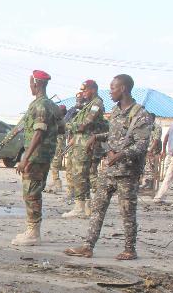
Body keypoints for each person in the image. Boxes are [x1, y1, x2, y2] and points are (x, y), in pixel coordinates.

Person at [65, 75, 154, 260]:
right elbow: (114, 135)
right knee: (98, 208)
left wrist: (120, 155)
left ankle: (130, 249)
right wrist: (97, 137)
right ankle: (88, 246)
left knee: (127, 212)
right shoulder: (115, 111)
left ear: (123, 89)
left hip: (127, 173)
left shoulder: (140, 114)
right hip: (109, 170)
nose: (110, 91)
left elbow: (141, 144)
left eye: (113, 88)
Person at [3, 70, 61, 246]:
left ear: (36, 84)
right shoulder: (51, 105)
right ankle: (32, 229)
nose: (30, 86)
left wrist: (25, 159)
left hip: (36, 156)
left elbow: (38, 132)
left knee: (31, 193)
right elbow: (62, 127)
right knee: (33, 192)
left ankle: (33, 232)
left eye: (30, 83)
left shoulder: (40, 106)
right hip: (44, 155)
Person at [62, 81, 106, 218]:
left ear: (93, 89)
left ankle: (79, 207)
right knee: (82, 175)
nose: (83, 93)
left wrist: (68, 126)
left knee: (80, 175)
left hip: (86, 144)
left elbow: (85, 124)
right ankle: (87, 206)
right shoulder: (88, 104)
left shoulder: (96, 104)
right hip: (80, 143)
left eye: (85, 90)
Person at [152, 117, 173, 204]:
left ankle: (159, 197)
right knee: (171, 176)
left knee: (170, 176)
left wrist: (164, 150)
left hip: (172, 153)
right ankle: (160, 197)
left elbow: (166, 137)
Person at [140, 123, 163, 192]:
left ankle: (150, 184)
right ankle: (147, 182)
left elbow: (156, 140)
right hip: (147, 150)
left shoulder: (157, 127)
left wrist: (150, 150)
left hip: (153, 151)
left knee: (152, 167)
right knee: (147, 166)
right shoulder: (147, 125)